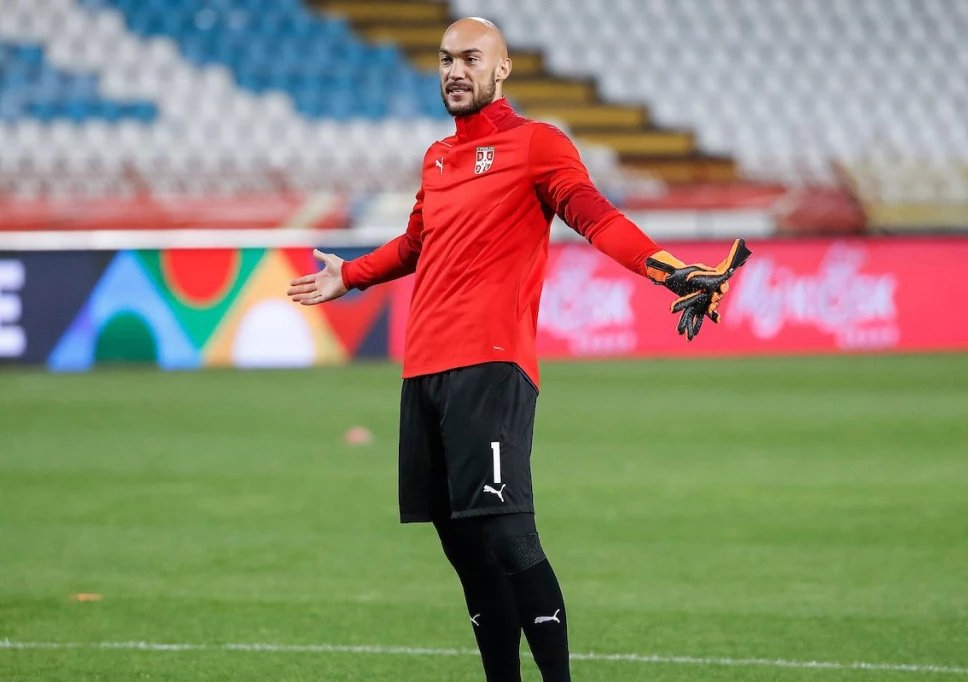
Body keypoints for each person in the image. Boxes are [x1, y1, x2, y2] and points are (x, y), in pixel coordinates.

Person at [287, 17, 749, 682]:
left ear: (502, 69)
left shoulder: (537, 144)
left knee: (507, 535)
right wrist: (351, 275)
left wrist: (669, 271)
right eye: (446, 59)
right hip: (424, 372)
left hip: (491, 365)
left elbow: (596, 216)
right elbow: (417, 243)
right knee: (464, 548)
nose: (455, 71)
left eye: (470, 59)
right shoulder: (437, 159)